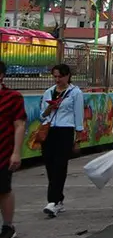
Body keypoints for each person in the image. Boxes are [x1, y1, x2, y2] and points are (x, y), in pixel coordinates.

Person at [40, 63, 83, 218]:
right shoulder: (49, 92)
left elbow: (78, 114)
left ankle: (52, 201)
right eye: (55, 76)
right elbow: (42, 114)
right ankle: (58, 198)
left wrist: (78, 135)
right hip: (49, 130)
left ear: (67, 76)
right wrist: (49, 109)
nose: (57, 80)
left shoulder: (75, 92)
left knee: (60, 165)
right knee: (50, 165)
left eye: (60, 76)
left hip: (65, 130)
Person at [0, 62, 27, 238]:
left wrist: (16, 152)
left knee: (3, 189)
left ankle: (8, 225)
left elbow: (19, 125)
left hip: (3, 150)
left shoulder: (12, 97)